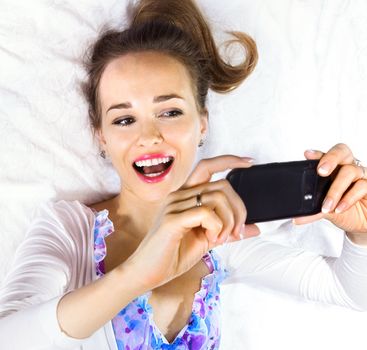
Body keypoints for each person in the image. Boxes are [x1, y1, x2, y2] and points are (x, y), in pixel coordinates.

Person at [1, 0, 367, 349]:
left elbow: (348, 291)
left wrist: (361, 232)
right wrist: (136, 275)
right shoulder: (70, 230)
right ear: (102, 136)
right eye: (124, 119)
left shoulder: (218, 235)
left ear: (202, 124)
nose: (149, 137)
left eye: (170, 112)